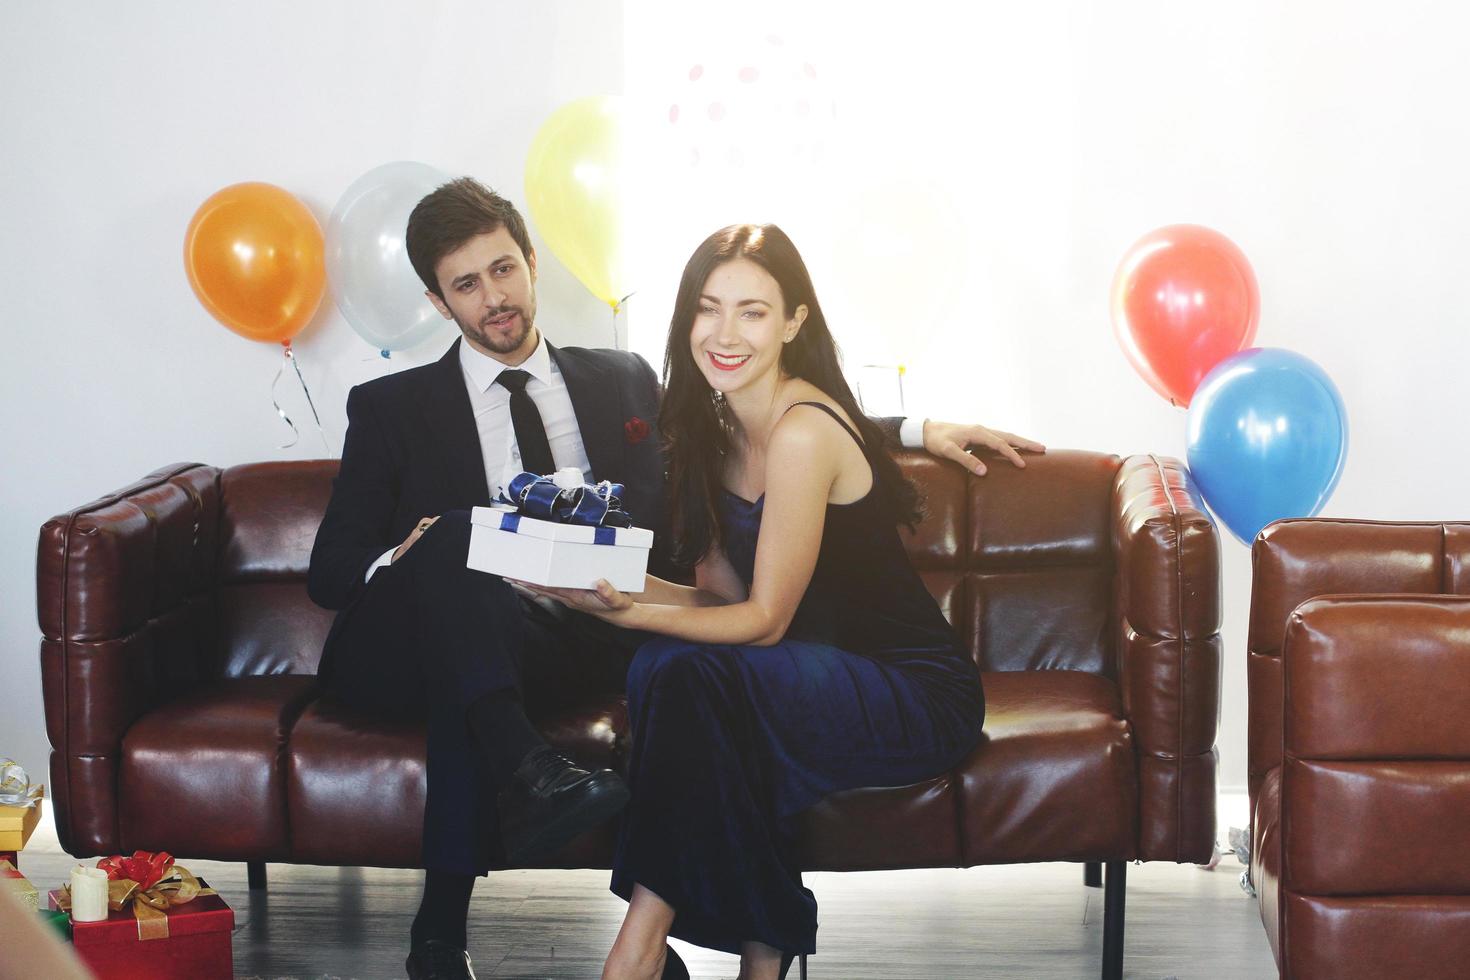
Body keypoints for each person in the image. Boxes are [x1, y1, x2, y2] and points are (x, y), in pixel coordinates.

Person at [307, 179, 1043, 980]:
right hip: (465, 625)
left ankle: (653, 944)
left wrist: (918, 426)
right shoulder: (391, 407)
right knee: (465, 568)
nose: (495, 297)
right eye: (466, 284)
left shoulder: (624, 382)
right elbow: (334, 572)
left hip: (603, 629)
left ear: (531, 266)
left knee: (671, 673)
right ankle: (473, 894)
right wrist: (417, 551)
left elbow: (784, 435)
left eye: (504, 269)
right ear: (437, 300)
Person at [525, 224, 1042, 980]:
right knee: (674, 670)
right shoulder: (710, 429)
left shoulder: (805, 433)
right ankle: (763, 955)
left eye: (753, 312)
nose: (724, 333)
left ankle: (640, 949)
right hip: (799, 674)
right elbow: (717, 601)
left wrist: (626, 616)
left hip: (908, 689)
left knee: (676, 669)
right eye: (708, 309)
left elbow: (762, 624)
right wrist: (598, 585)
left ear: (795, 322)